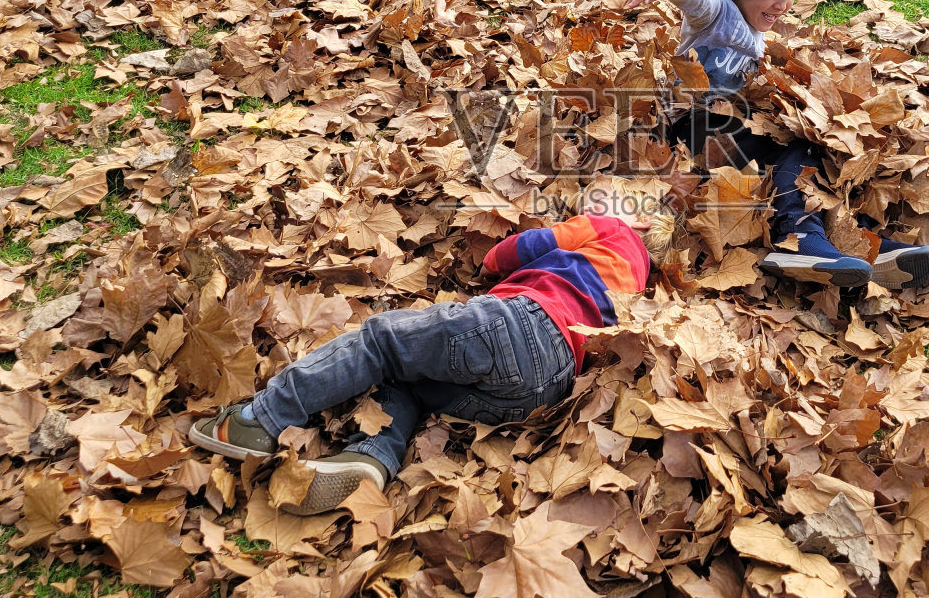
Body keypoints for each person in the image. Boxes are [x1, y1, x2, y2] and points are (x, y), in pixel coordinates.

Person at [189, 213, 653, 514]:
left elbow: (518, 250)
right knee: (411, 380)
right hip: (546, 389)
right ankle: (372, 457)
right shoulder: (640, 284)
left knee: (383, 343)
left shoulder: (612, 228)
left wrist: (495, 259)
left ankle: (260, 418)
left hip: (523, 322)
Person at [623, 0, 929, 290]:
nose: (783, 5)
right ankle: (798, 238)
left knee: (824, 155)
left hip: (735, 134)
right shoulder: (720, 14)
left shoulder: (757, 30)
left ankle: (858, 240)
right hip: (695, 129)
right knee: (795, 147)